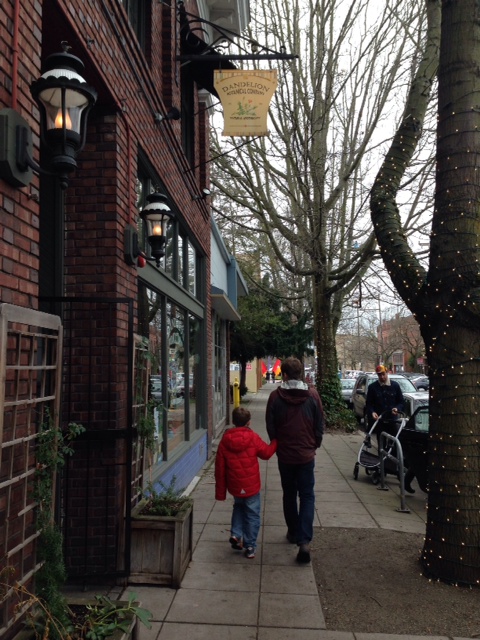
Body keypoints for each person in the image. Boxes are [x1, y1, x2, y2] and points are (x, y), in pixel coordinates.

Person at [265, 357, 324, 563]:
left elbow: (270, 425)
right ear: (300, 374)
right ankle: (304, 540)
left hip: (286, 455)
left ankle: (293, 531)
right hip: (306, 454)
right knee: (307, 495)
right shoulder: (313, 395)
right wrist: (314, 444)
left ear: (284, 374)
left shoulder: (275, 397)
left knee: (289, 494)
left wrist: (277, 443)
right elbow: (319, 423)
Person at [215, 406, 277, 559]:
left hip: (235, 485)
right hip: (251, 486)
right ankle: (250, 546)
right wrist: (276, 442)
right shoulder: (253, 437)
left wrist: (221, 492)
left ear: (233, 421)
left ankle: (236, 534)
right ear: (249, 422)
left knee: (238, 507)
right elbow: (266, 453)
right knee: (252, 515)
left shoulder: (225, 440)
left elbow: (219, 468)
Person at [365, 364, 405, 454]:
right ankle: (381, 460)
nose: (382, 377)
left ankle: (392, 459)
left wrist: (397, 408)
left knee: (393, 445)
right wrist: (372, 412)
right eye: (379, 375)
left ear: (387, 373)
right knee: (381, 445)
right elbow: (369, 404)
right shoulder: (372, 387)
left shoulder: (395, 386)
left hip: (392, 421)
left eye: (383, 374)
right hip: (380, 421)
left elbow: (401, 402)